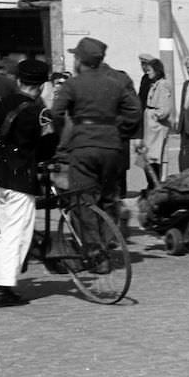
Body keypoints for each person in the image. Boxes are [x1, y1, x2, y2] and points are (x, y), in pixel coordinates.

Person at [52, 37, 141, 269]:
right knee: (108, 196)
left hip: (83, 147)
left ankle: (96, 254)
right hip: (112, 147)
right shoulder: (116, 83)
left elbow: (56, 113)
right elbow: (134, 112)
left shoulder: (73, 84)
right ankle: (109, 239)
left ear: (80, 60)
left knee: (82, 200)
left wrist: (65, 136)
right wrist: (116, 130)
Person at [0, 59, 58, 307]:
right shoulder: (40, 112)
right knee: (17, 234)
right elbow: (50, 146)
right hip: (22, 179)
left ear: (19, 80)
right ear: (42, 86)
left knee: (3, 233)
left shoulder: (3, 103)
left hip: (1, 176)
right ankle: (4, 290)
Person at [138, 56, 172, 189]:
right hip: (150, 127)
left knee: (153, 158)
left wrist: (153, 115)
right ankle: (151, 184)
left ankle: (154, 185)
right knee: (146, 157)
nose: (148, 72)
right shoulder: (154, 84)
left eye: (150, 70)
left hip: (156, 128)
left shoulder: (162, 85)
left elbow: (164, 110)